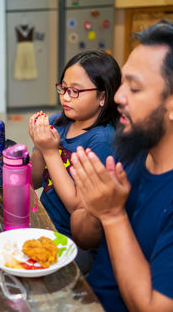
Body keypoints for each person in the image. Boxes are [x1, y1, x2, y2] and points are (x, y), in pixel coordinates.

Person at [70, 19, 173, 312]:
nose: (117, 97)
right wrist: (95, 208)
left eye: (135, 88)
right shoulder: (135, 143)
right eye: (122, 82)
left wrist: (113, 215)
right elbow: (84, 237)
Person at [28, 50, 121, 274]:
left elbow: (76, 205)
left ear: (102, 97)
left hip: (73, 242)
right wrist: (40, 147)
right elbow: (34, 181)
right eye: (63, 88)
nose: (66, 97)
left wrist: (50, 151)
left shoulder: (102, 140)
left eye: (76, 91)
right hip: (44, 222)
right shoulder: (57, 123)